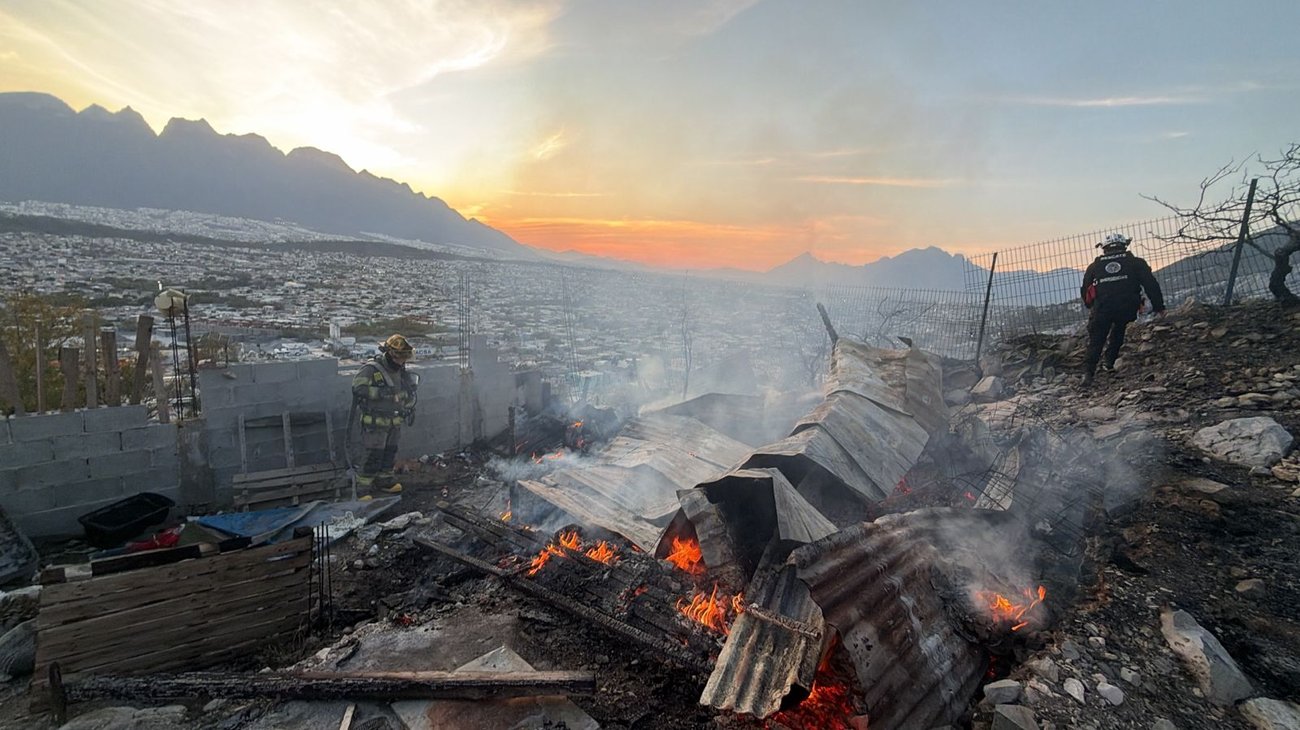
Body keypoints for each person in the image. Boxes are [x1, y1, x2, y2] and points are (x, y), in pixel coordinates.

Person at [1079, 233, 1165, 385]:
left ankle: (1088, 373)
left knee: (1096, 340)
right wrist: (1159, 307)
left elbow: (1085, 289)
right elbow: (1151, 285)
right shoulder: (1136, 262)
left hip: (1102, 309)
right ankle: (1109, 362)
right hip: (1127, 307)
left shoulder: (1095, 266)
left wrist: (1091, 307)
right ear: (1124, 246)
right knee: (1119, 330)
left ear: (1104, 248)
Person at [351, 334, 418, 492]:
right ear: (391, 354)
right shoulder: (371, 369)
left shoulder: (401, 371)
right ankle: (362, 489)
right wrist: (381, 393)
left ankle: (384, 482)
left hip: (394, 421)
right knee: (373, 455)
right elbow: (357, 389)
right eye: (400, 357)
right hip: (375, 422)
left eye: (404, 358)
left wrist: (408, 402)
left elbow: (406, 393)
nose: (402, 361)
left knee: (389, 454)